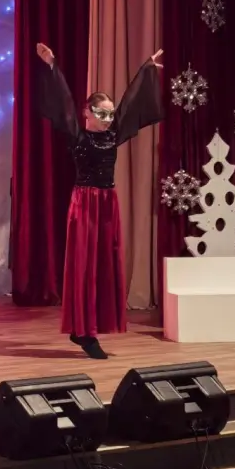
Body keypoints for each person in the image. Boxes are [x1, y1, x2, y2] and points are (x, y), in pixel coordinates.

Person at [35, 42, 164, 359]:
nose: (107, 119)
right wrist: (52, 66)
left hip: (108, 205)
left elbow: (131, 103)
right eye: (101, 113)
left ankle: (90, 327)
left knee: (104, 266)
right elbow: (63, 101)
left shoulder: (113, 134)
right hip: (84, 204)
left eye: (109, 114)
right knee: (84, 267)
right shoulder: (77, 135)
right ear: (87, 113)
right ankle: (83, 331)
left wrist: (146, 68)